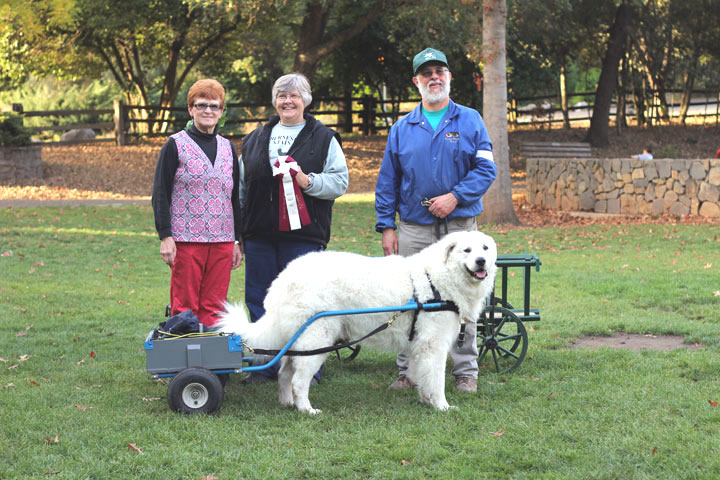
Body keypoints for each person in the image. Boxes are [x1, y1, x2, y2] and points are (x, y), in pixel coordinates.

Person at [375, 48, 497, 394]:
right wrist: (386, 226)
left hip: (461, 230)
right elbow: (388, 181)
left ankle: (465, 371)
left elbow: (486, 168)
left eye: (439, 71)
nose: (434, 77)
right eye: (426, 73)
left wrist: (456, 196)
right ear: (416, 81)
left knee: (463, 299)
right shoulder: (402, 128)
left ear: (449, 77)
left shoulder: (470, 120)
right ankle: (408, 372)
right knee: (410, 299)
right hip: (414, 229)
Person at [239, 72, 349, 384]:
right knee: (259, 299)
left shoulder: (324, 138)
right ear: (275, 101)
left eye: (294, 96)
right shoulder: (254, 139)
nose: (288, 101)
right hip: (259, 235)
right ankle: (264, 366)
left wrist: (307, 181)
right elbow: (242, 191)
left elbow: (340, 182)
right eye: (282, 96)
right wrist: (241, 233)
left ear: (305, 101)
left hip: (304, 236)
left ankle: (306, 368)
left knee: (304, 302)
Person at [152, 79, 243, 328]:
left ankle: (211, 360)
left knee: (215, 306)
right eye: (201, 105)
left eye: (214, 106)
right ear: (191, 109)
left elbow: (235, 197)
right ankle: (186, 361)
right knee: (185, 305)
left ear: (222, 111)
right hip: (186, 239)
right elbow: (161, 192)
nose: (208, 111)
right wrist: (165, 236)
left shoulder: (228, 148)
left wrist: (237, 241)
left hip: (222, 240)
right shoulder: (175, 145)